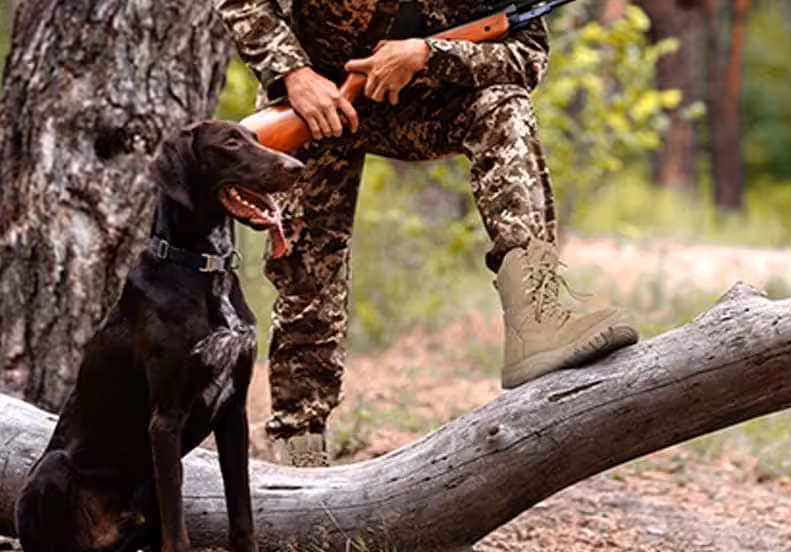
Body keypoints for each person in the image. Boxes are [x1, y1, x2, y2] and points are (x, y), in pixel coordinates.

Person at [214, 0, 639, 467]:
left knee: (505, 106)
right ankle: (299, 449)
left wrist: (428, 54)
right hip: (314, 105)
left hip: (421, 105)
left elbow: (526, 58)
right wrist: (292, 72)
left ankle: (536, 319)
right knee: (306, 275)